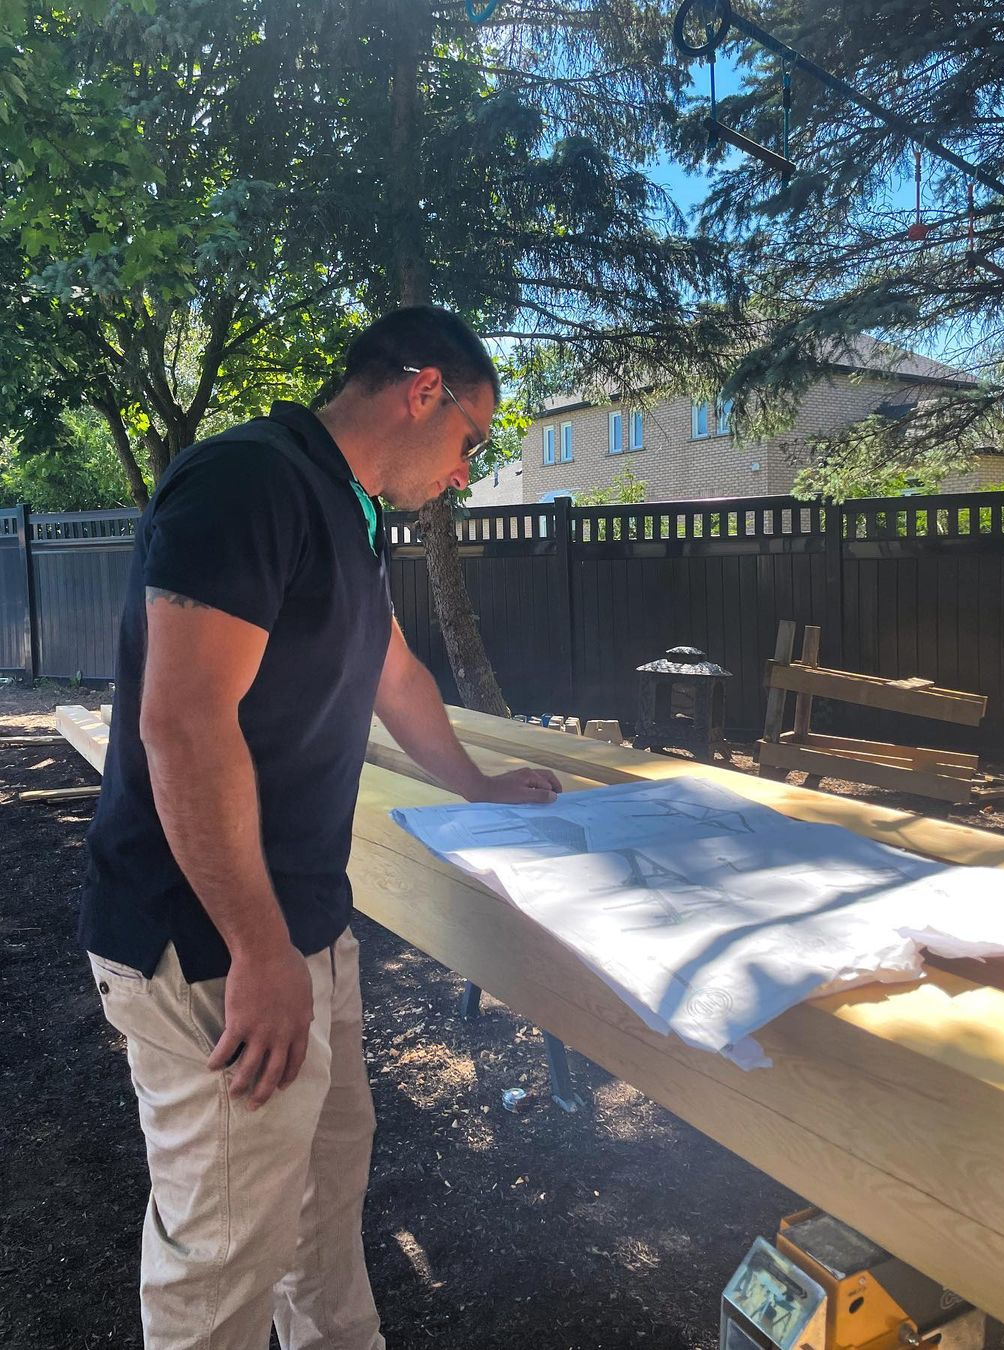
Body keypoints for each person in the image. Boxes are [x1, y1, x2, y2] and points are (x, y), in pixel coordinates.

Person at [78, 306, 562, 1349]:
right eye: (473, 439)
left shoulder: (345, 508)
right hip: (206, 943)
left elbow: (393, 672)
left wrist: (473, 785)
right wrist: (258, 949)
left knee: (321, 1204)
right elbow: (183, 724)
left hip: (299, 925)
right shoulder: (247, 482)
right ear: (422, 390)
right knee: (222, 1262)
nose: (469, 471)